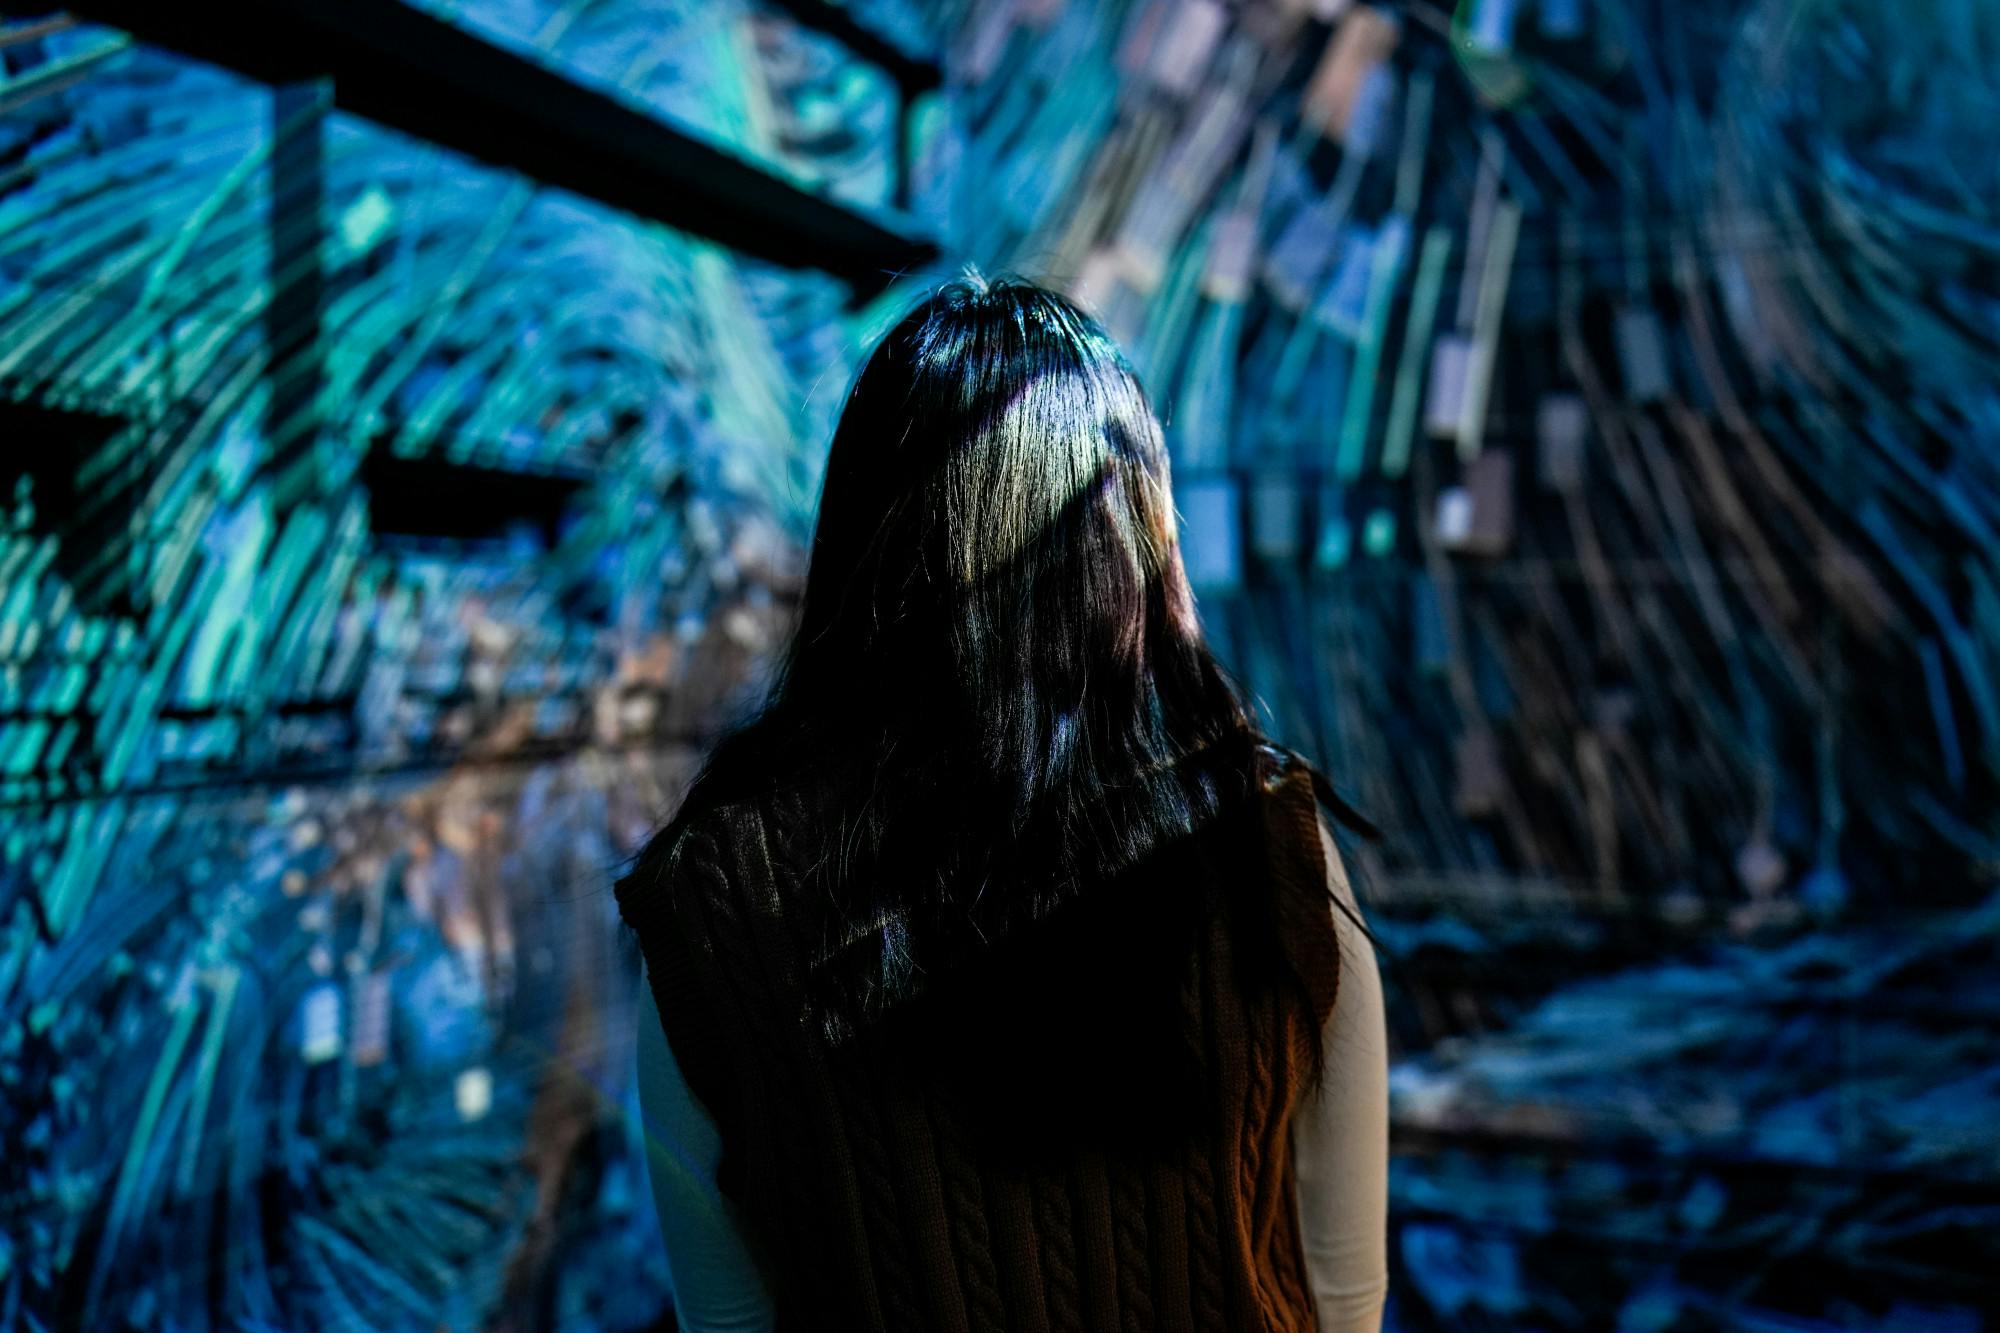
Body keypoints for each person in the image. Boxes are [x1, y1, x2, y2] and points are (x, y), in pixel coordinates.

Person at [618, 274, 1388, 1332]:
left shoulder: (715, 903)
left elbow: (727, 1318)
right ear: (1138, 548)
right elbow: (1341, 1291)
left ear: (862, 545)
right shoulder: (1266, 843)